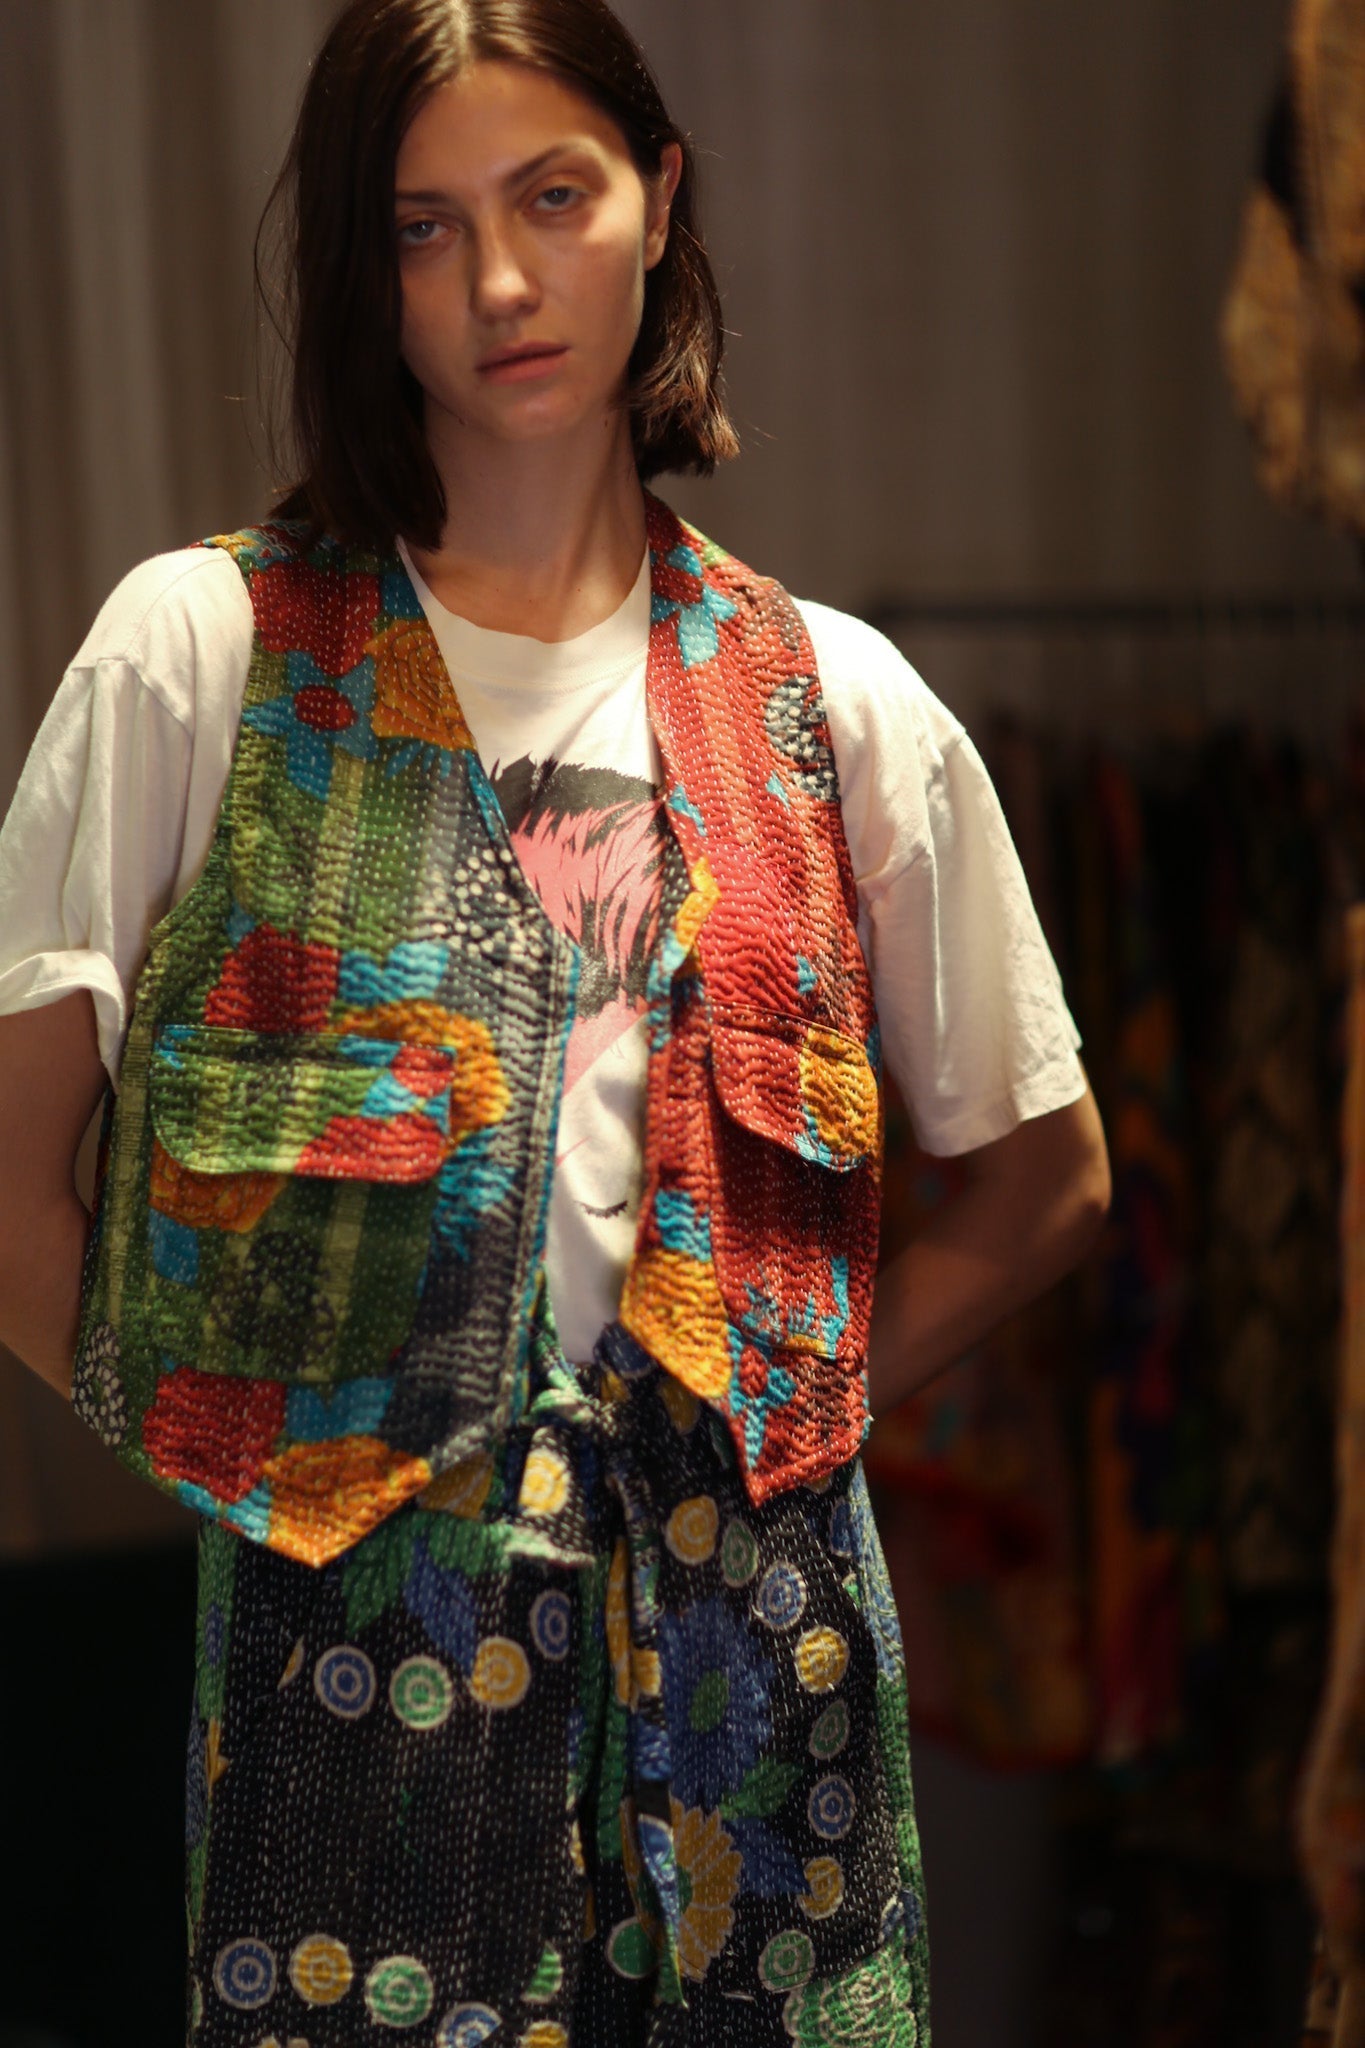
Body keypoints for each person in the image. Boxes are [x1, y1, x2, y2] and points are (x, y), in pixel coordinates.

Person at [0, 0, 1110, 2040]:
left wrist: (789, 1413)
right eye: (421, 227)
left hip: (763, 1700)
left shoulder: (833, 700)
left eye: (552, 197)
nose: (498, 283)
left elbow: (1046, 1176)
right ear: (362, 267)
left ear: (656, 200)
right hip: (357, 1678)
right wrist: (251, 1448)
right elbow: (7, 1180)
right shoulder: (206, 651)